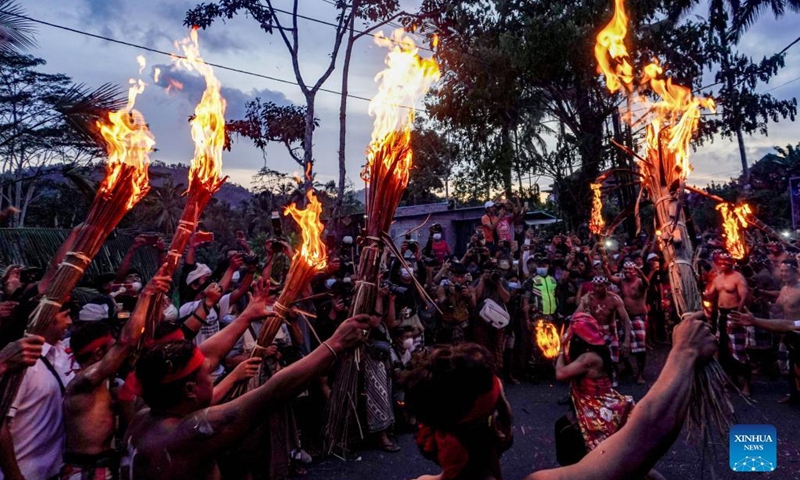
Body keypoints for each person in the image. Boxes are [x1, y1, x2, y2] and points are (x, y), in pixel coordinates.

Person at [120, 314, 372, 480]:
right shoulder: (187, 434)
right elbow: (271, 393)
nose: (212, 373)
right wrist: (335, 344)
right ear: (189, 390)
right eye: (207, 374)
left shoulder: (145, 412)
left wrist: (247, 316)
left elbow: (210, 353)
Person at [61, 278, 170, 480]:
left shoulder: (107, 383)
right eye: (112, 349)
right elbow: (127, 342)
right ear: (97, 354)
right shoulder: (81, 384)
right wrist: (145, 294)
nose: (117, 354)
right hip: (85, 471)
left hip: (104, 464)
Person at [0, 303, 75, 480]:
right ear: (46, 318)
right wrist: (15, 476)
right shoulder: (21, 363)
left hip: (54, 471)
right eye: (65, 315)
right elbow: (1, 424)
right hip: (24, 473)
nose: (70, 322)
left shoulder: (62, 354)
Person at [554, 313, 636, 468]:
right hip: (588, 404)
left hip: (597, 407)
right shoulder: (591, 351)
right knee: (564, 428)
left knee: (614, 458)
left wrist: (559, 352)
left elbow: (560, 374)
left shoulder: (588, 358)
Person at [704, 250, 751, 395]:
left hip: (735, 314)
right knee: (723, 348)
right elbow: (710, 295)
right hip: (721, 316)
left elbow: (744, 298)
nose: (723, 264)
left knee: (739, 350)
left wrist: (738, 317)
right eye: (721, 262)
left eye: (726, 262)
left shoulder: (738, 278)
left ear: (732, 262)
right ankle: (730, 379)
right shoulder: (718, 278)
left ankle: (746, 385)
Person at [575, 276, 632, 384]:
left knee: (612, 360)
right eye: (595, 286)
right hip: (593, 332)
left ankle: (612, 381)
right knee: (594, 359)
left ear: (606, 286)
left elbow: (626, 320)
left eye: (600, 286)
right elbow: (577, 316)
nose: (597, 289)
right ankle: (595, 383)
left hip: (610, 331)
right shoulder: (587, 298)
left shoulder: (614, 299)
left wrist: (626, 340)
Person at [608, 261, 650, 384]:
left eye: (630, 270)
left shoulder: (639, 282)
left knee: (640, 348)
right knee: (621, 344)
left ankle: (640, 374)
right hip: (625, 317)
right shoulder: (621, 282)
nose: (627, 272)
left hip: (638, 317)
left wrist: (641, 273)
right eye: (625, 270)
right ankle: (628, 367)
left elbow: (647, 284)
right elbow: (610, 277)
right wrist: (605, 265)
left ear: (635, 271)